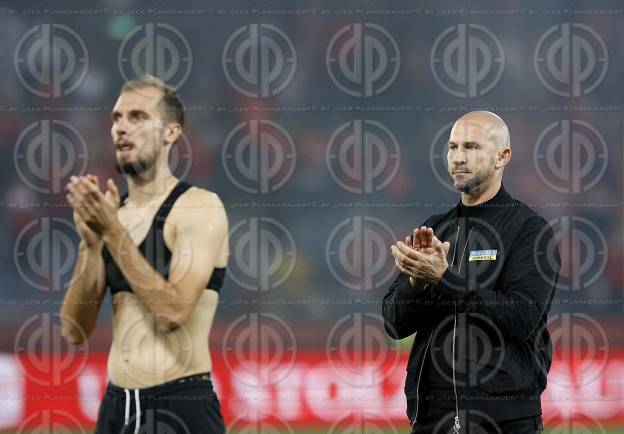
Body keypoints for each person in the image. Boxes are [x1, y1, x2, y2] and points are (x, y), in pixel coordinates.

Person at [61, 75, 228, 433]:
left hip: (180, 406)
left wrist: (112, 233)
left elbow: (173, 312)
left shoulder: (199, 208)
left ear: (171, 133)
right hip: (116, 407)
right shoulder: (110, 216)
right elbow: (74, 329)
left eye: (137, 117)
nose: (121, 128)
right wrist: (91, 245)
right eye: (117, 118)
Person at [383, 111, 560, 434]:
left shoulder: (530, 232)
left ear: (502, 157)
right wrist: (415, 283)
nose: (459, 158)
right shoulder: (436, 228)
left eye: (472, 147)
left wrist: (443, 278)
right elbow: (394, 324)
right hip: (431, 417)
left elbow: (521, 317)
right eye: (453, 147)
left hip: (503, 420)